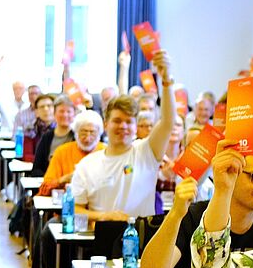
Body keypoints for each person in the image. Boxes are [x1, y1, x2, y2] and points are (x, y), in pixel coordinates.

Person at [71, 52, 176, 222]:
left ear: (135, 126)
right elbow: (74, 209)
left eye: (129, 121)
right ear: (106, 124)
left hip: (143, 239)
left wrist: (166, 81)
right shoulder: (87, 165)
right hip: (104, 241)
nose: (123, 126)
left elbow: (168, 122)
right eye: (117, 121)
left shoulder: (147, 151)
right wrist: (104, 216)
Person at [39, 110, 104, 197]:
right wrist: (64, 179)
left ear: (99, 134)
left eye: (92, 132)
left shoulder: (106, 152)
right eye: (83, 132)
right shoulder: (62, 152)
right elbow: (44, 189)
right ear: (76, 133)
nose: (88, 138)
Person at [29, 97, 76, 180]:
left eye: (68, 112)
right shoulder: (47, 137)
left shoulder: (77, 137)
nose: (65, 115)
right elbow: (36, 169)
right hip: (48, 182)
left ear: (74, 114)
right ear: (54, 114)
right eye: (61, 111)